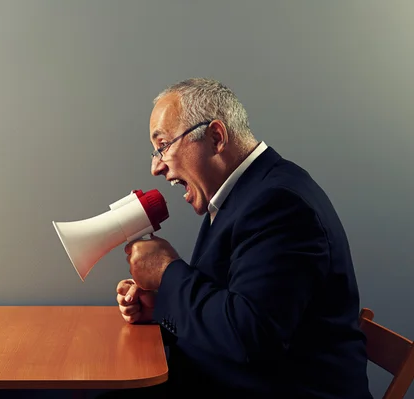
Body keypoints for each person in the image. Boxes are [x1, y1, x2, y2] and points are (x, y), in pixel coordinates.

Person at [115, 78, 373, 398]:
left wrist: (168, 273)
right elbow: (230, 306)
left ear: (216, 137)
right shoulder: (247, 193)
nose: (156, 167)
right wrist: (162, 304)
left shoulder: (279, 204)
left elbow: (248, 336)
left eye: (163, 145)